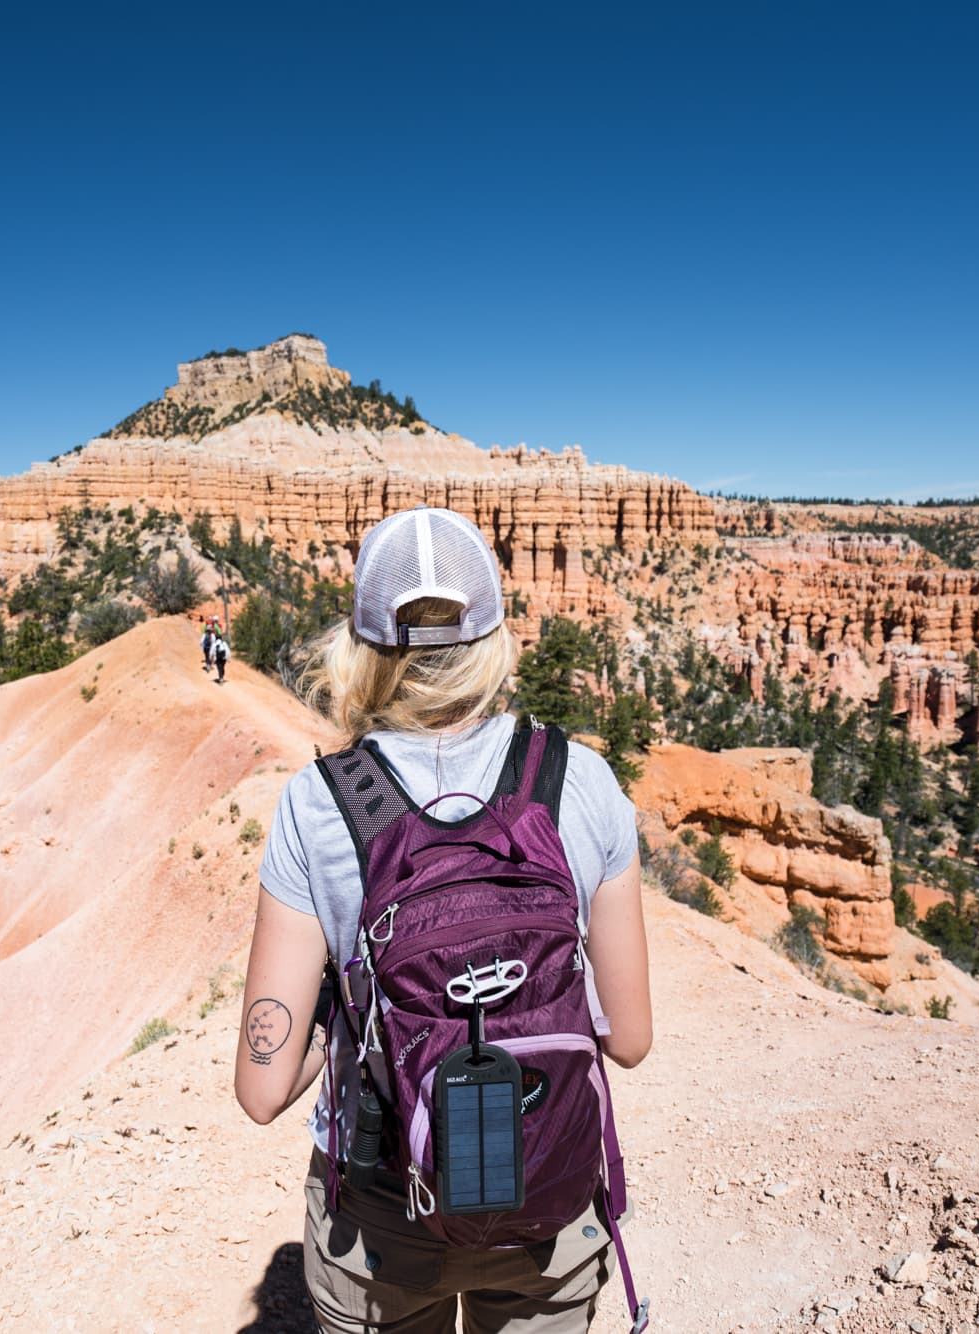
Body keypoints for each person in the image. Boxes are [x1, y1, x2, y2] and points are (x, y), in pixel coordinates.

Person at [235, 506, 653, 1334]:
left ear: (361, 648)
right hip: (549, 1191)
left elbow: (262, 1088)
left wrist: (353, 1008)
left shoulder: (318, 805)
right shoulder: (582, 780)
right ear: (497, 637)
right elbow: (631, 1041)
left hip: (384, 1218)